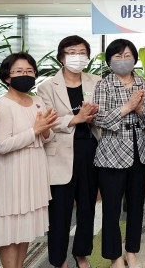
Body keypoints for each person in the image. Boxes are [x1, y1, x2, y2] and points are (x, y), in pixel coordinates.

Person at [37, 36, 101, 268]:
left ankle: (81, 253)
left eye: (82, 52)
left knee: (87, 207)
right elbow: (48, 121)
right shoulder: (46, 87)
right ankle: (59, 259)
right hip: (60, 154)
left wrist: (92, 117)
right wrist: (77, 118)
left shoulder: (97, 81)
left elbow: (104, 113)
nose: (77, 57)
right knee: (59, 212)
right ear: (61, 57)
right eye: (72, 52)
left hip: (90, 150)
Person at [0, 52, 58, 268]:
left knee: (25, 228)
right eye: (19, 71)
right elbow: (1, 145)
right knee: (11, 232)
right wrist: (34, 130)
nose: (25, 75)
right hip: (12, 173)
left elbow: (48, 136)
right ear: (7, 76)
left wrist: (44, 130)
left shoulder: (37, 101)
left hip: (34, 170)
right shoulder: (2, 105)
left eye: (29, 71)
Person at [93, 39, 145, 268]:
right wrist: (127, 107)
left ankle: (131, 251)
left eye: (127, 55)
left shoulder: (144, 82)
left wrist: (140, 109)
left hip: (140, 151)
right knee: (111, 208)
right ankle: (114, 256)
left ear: (135, 59)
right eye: (117, 56)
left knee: (137, 205)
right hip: (111, 153)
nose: (123, 60)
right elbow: (99, 119)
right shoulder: (104, 84)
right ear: (109, 60)